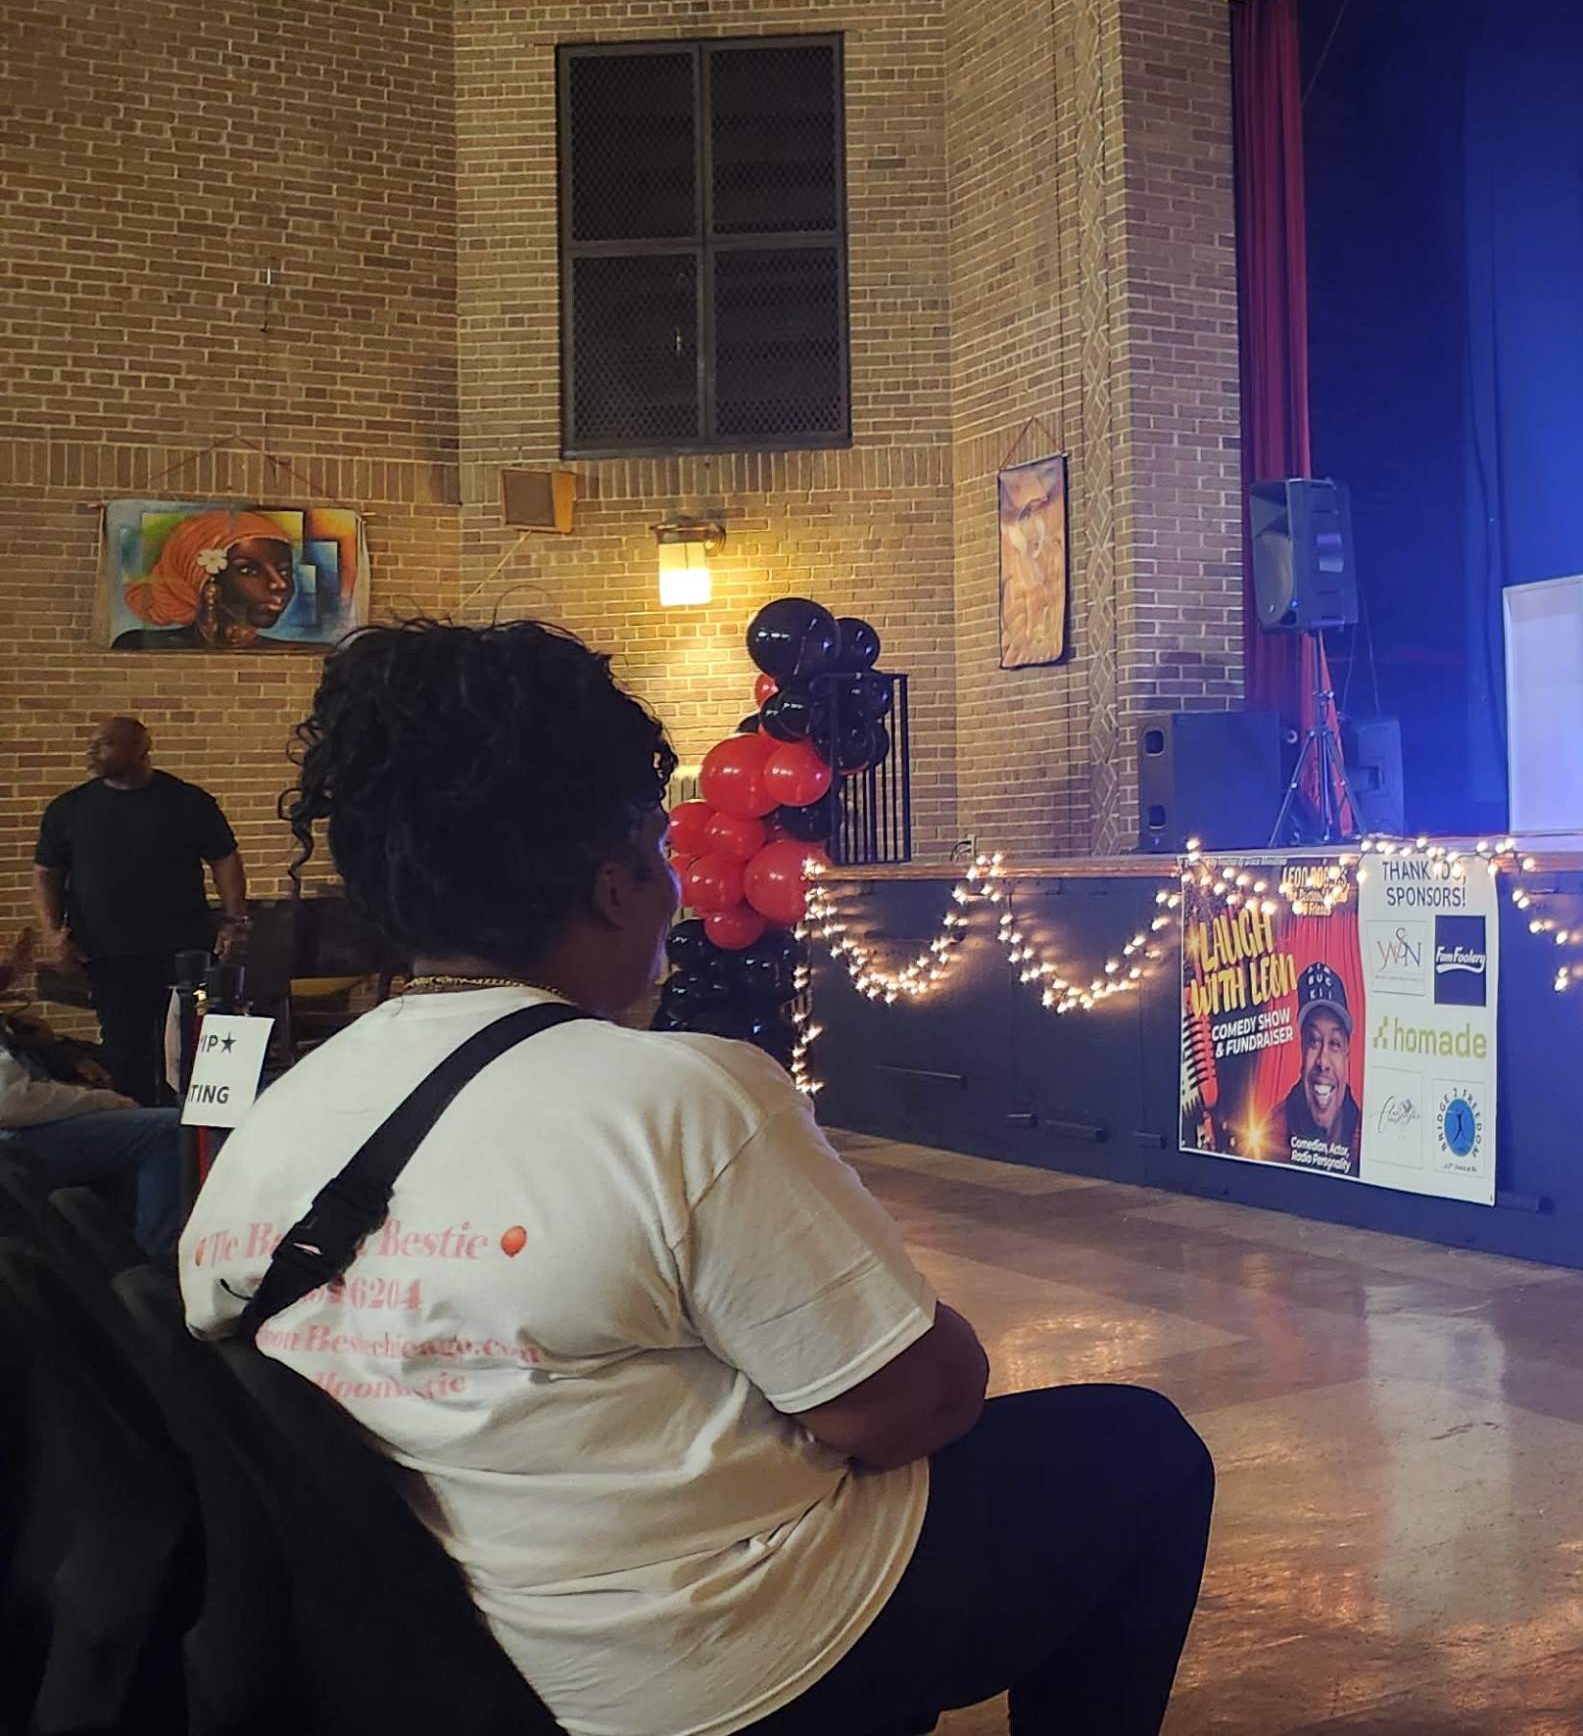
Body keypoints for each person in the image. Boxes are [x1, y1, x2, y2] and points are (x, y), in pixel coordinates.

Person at [182, 620, 1212, 1736]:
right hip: (703, 1670)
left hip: (435, 1656)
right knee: (1141, 1452)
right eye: (660, 849)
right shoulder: (681, 1095)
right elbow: (911, 1403)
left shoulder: (282, 1115)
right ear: (621, 884)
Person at [34, 715, 248, 1102]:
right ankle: (142, 1129)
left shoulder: (187, 802)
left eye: (103, 743)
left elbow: (225, 859)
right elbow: (46, 874)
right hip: (109, 952)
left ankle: (198, 1133)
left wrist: (233, 920)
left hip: (183, 949)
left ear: (139, 747)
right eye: (92, 742)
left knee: (191, 1045)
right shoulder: (69, 809)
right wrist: (53, 932)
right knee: (124, 1049)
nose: (91, 751)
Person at [0, 930, 189, 1258]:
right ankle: (158, 1261)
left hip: (20, 1134)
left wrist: (56, 1048)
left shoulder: (13, 1023)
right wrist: (100, 1101)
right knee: (165, 1129)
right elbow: (12, 1102)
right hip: (15, 1145)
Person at [113, 506, 302, 650]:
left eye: (285, 571)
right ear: (200, 578)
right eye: (249, 571)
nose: (280, 584)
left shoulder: (302, 653)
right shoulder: (135, 644)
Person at [1281, 961, 1361, 1172]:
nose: (1323, 1062)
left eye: (1334, 1043)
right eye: (1313, 1041)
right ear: (1301, 1048)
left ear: (1347, 1054)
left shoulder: (1367, 1140)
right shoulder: (1270, 1138)